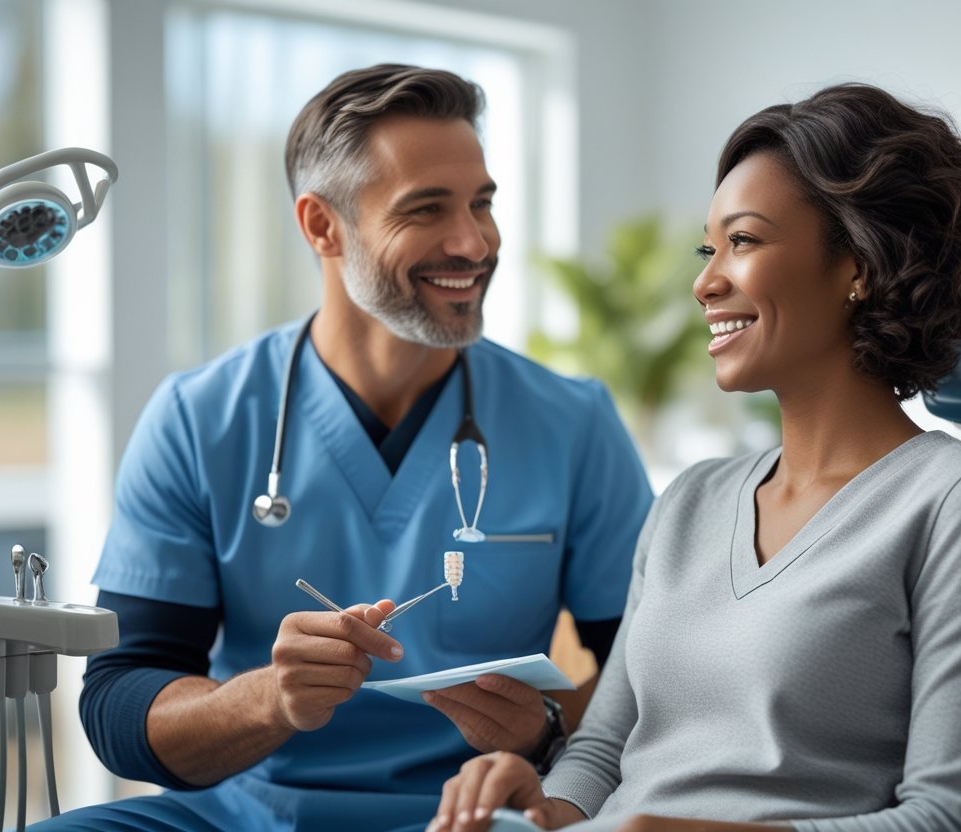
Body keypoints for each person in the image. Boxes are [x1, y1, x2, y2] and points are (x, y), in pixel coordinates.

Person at [430, 83, 961, 832]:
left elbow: (950, 820)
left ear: (858, 265)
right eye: (710, 249)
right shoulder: (690, 501)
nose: (704, 283)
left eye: (743, 241)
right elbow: (604, 751)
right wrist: (542, 806)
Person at [39, 65, 653, 831]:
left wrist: (545, 730)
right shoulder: (201, 418)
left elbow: (653, 677)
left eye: (483, 203)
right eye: (427, 209)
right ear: (322, 226)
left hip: (469, 815)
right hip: (242, 816)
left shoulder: (572, 422)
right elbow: (119, 707)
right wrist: (269, 697)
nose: (475, 242)